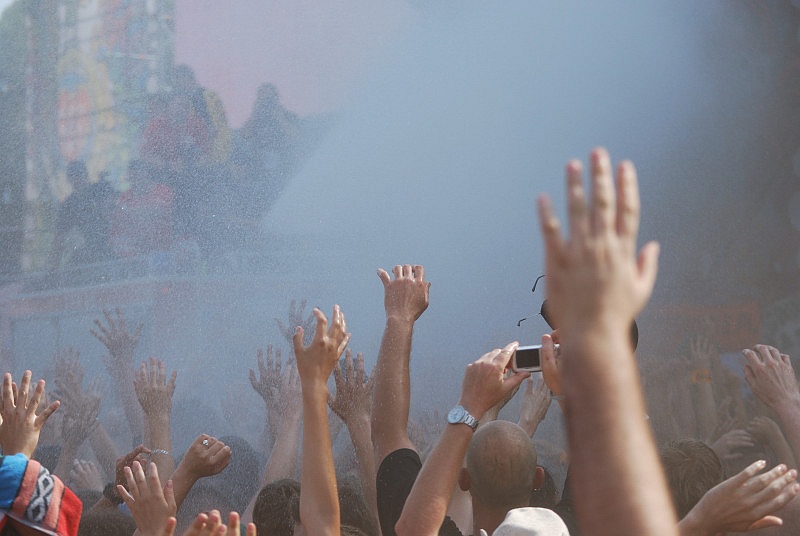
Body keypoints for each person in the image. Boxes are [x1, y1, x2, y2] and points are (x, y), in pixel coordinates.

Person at [50, 160, 115, 268]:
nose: (77, 180)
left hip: (113, 243)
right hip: (91, 248)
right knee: (72, 270)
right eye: (73, 176)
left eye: (79, 175)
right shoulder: (69, 205)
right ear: (68, 179)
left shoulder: (100, 190)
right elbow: (59, 236)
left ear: (85, 175)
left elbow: (116, 212)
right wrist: (54, 266)